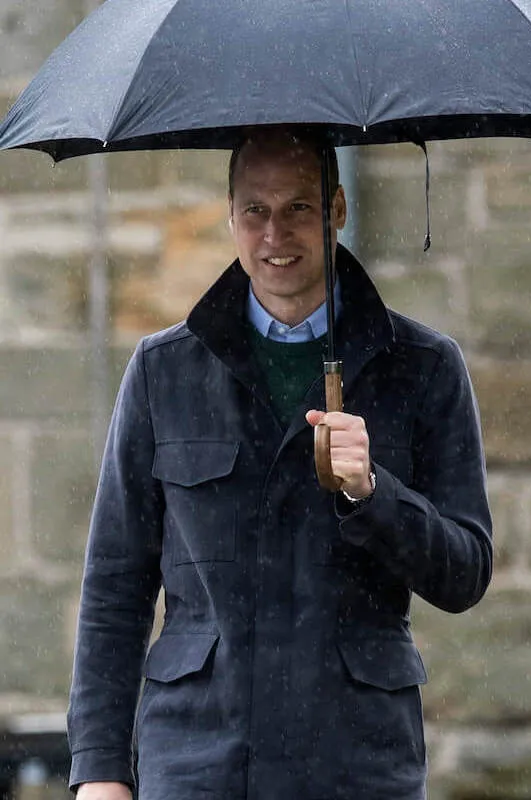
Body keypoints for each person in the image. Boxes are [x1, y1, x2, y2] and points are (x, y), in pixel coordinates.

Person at [69, 128, 493, 800]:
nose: (275, 236)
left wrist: (373, 494)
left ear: (338, 210)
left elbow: (466, 570)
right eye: (255, 212)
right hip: (198, 761)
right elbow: (115, 585)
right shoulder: (163, 371)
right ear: (230, 215)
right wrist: (99, 769)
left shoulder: (424, 367)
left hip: (355, 763)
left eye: (299, 208)